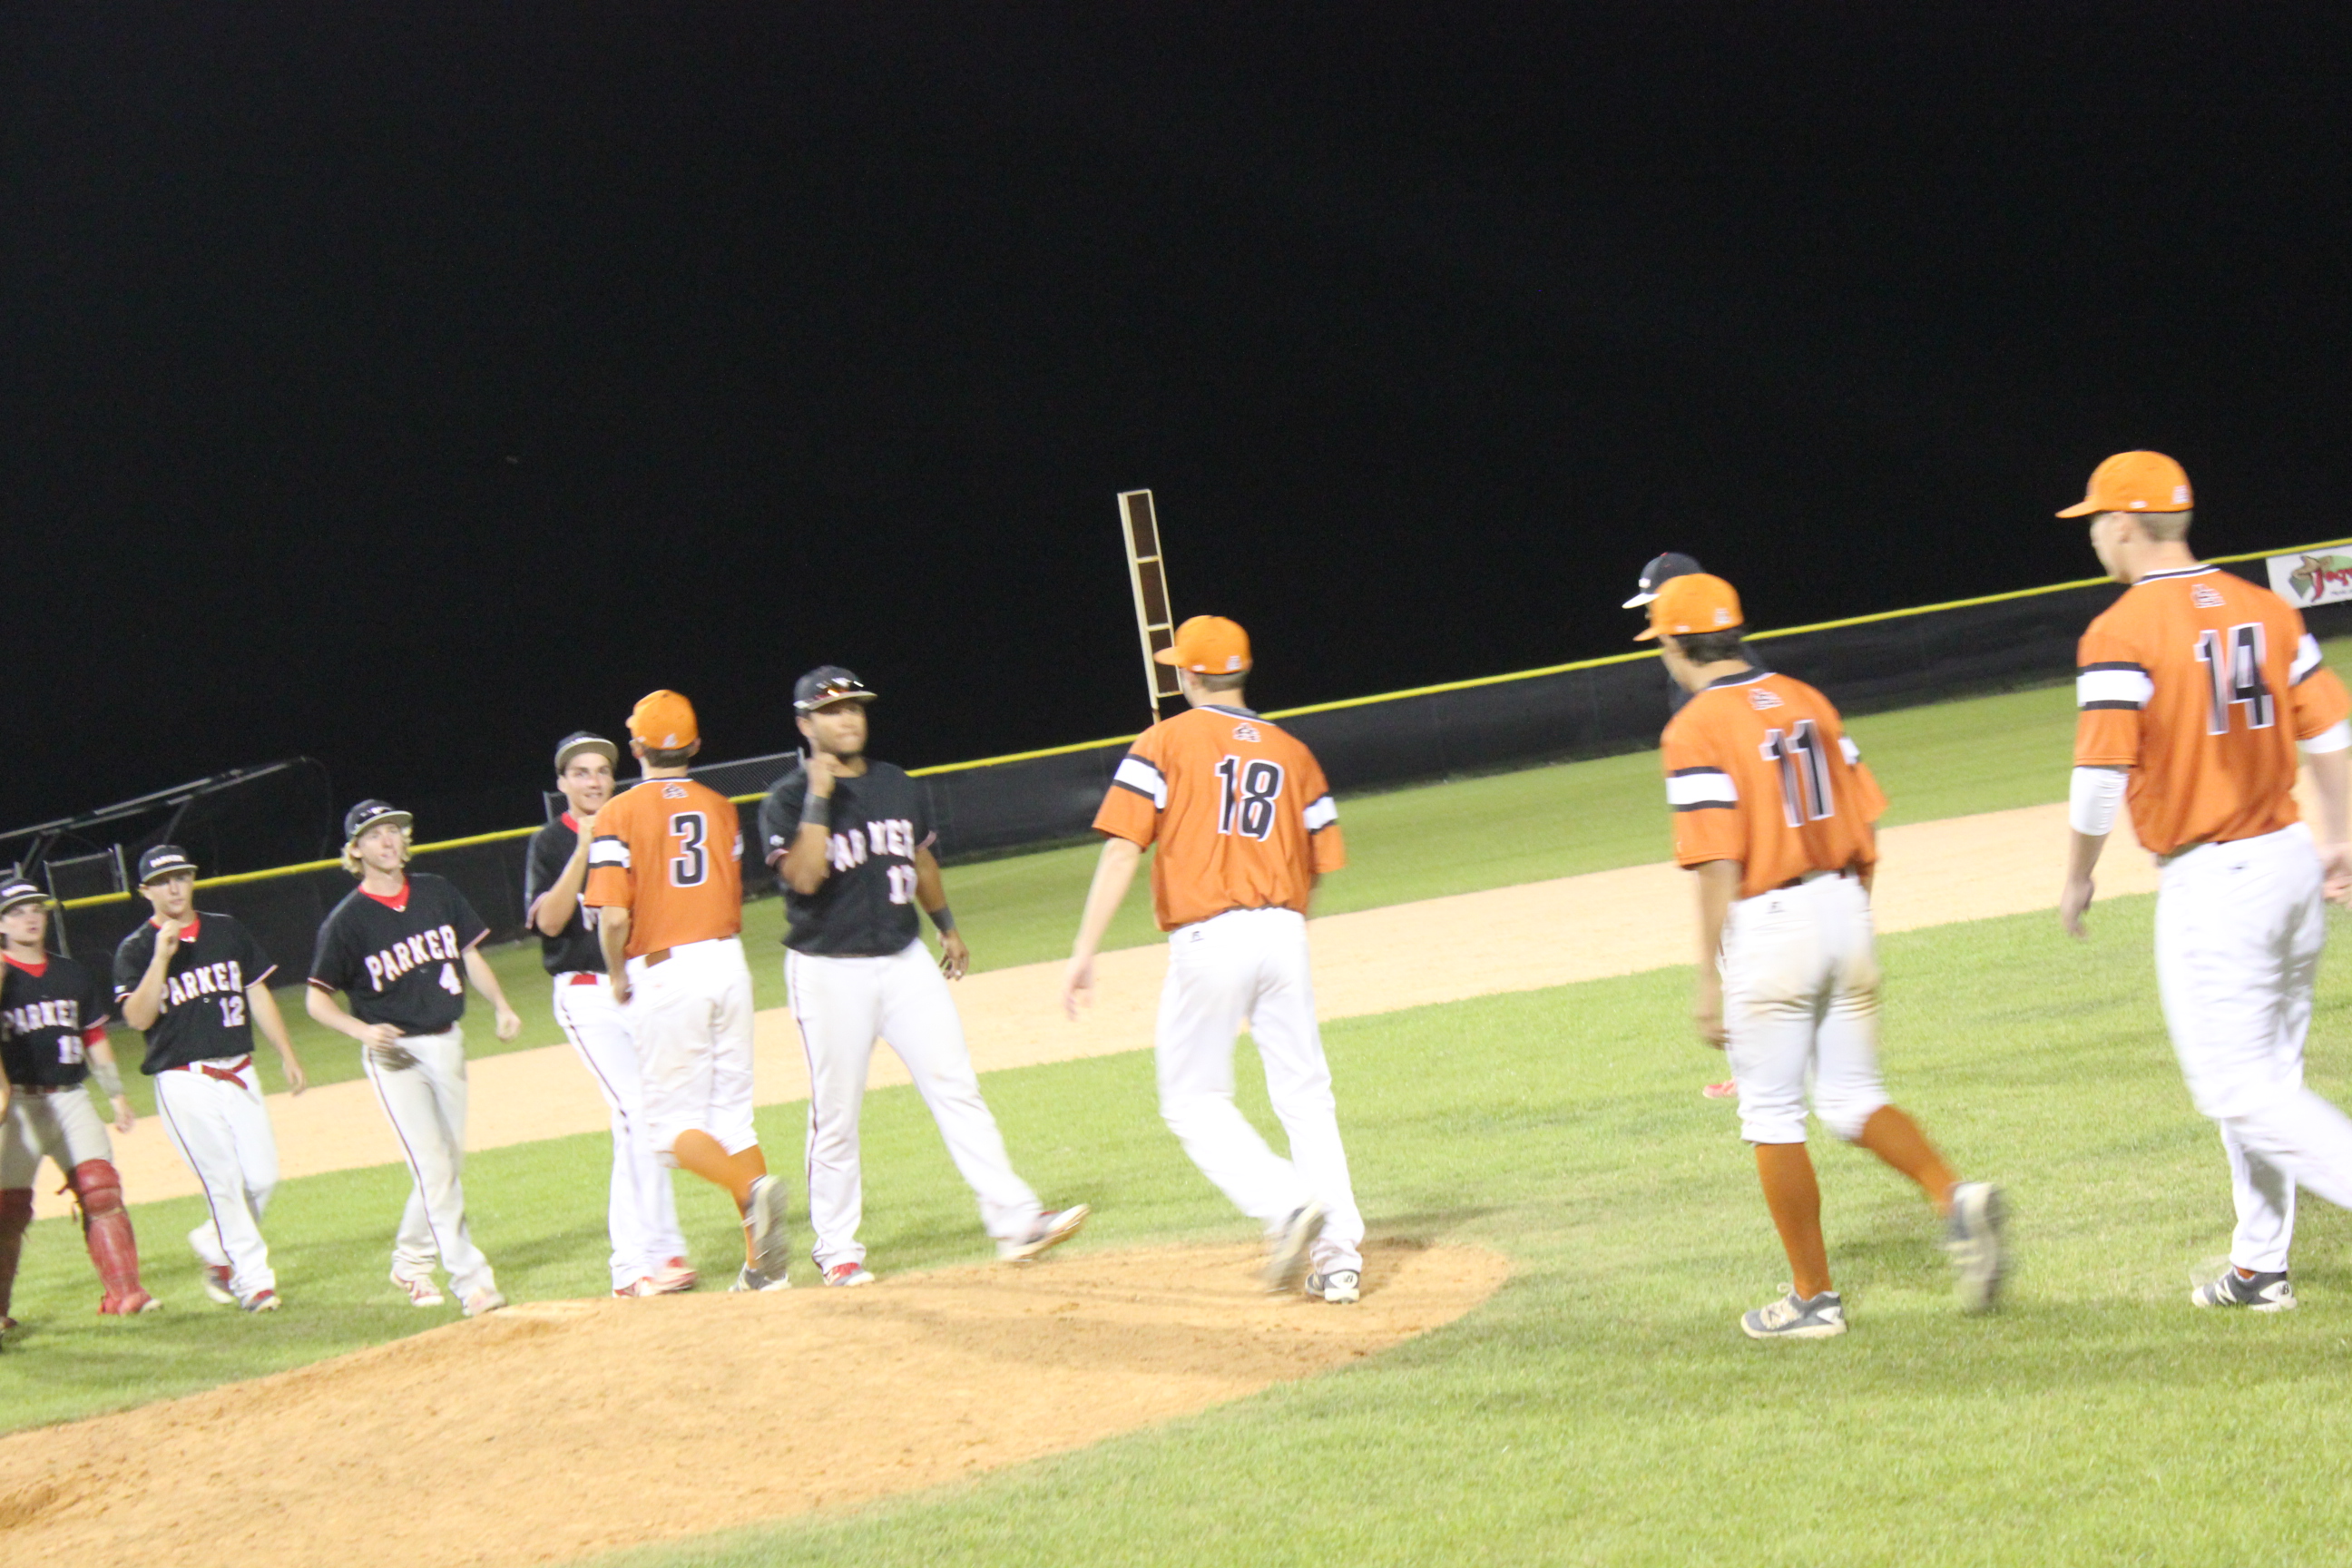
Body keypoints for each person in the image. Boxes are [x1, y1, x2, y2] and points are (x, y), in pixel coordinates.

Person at [1646, 573, 2004, 1337]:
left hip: (1770, 921)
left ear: (1676, 644)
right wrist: (1852, 913)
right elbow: (1864, 821)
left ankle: (1813, 1300)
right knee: (1851, 1098)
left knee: (1772, 1113)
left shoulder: (1693, 728)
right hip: (1843, 904)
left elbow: (1717, 862)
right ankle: (1953, 1197)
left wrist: (1707, 975)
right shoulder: (1807, 699)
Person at [2057, 450, 2352, 1311]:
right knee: (2267, 1081)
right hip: (2289, 860)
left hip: (2216, 880)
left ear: (2123, 523)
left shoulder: (2120, 630)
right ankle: (2260, 1269)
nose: (2094, 538)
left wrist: (2077, 875)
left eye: (2096, 522)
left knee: (2240, 1090)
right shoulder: (2266, 607)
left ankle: (2264, 1264)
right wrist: (2341, 837)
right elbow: (2331, 735)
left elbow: (2100, 777)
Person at [1063, 615, 1366, 1304]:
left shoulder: (1164, 740)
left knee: (1192, 1099)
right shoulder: (1295, 752)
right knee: (1306, 1097)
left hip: (1210, 936)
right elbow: (1319, 859)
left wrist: (1084, 950)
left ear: (1189, 675)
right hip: (1285, 930)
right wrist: (1287, 931)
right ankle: (1339, 1258)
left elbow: (1122, 848)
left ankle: (1286, 1203)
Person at [760, 667, 1088, 1286]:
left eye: (854, 707)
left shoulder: (896, 784)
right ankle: (838, 1250)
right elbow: (803, 876)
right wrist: (819, 797)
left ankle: (1016, 1221)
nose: (848, 717)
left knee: (956, 1087)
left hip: (903, 957)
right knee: (836, 1115)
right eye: (831, 710)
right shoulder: (786, 797)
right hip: (829, 969)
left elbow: (920, 858)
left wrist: (946, 925)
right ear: (805, 724)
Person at [584, 690, 792, 1291]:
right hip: (727, 962)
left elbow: (613, 917)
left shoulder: (618, 813)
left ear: (635, 747)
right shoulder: (720, 808)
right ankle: (763, 1270)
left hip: (666, 969)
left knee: (667, 1136)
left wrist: (617, 975)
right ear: (696, 744)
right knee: (734, 1123)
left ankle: (751, 1190)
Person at [306, 801, 520, 1318]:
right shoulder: (348, 921)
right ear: (355, 850)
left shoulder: (437, 892)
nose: (387, 841)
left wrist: (502, 1005)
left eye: (393, 831)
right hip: (396, 1055)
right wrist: (361, 1030)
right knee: (434, 1166)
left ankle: (409, 1260)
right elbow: (316, 998)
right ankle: (472, 1282)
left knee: (447, 1165)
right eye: (373, 834)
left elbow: (470, 954)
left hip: (448, 1041)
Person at [527, 731, 693, 1298]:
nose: (593, 781)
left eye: (602, 770)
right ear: (562, 783)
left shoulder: (634, 826)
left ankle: (663, 1250)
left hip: (640, 985)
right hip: (585, 994)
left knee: (646, 1119)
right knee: (638, 1111)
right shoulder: (550, 842)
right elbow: (550, 923)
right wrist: (585, 849)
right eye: (580, 772)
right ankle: (631, 1264)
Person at [114, 844, 308, 1313]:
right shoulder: (136, 949)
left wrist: (286, 1052)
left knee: (262, 1178)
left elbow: (256, 992)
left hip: (240, 1071)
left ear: (192, 879)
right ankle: (253, 1282)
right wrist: (160, 959)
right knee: (223, 1182)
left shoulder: (226, 930)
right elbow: (137, 1018)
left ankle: (214, 1243)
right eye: (162, 881)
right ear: (145, 891)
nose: (173, 887)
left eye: (180, 876)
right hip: (185, 1080)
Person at [0, 877, 155, 1324]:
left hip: (70, 1096)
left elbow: (93, 1036)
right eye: (16, 912)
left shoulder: (71, 973)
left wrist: (116, 1093)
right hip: (17, 1105)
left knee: (101, 1190)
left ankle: (126, 1294)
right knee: (7, 1213)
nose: (30, 917)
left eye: (36, 908)